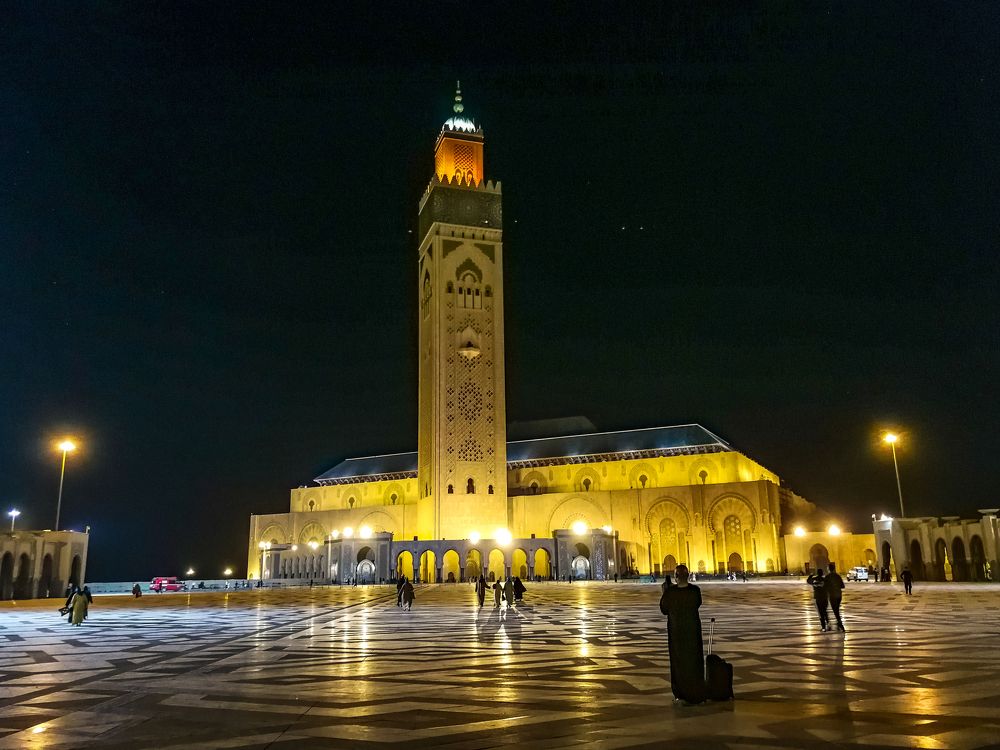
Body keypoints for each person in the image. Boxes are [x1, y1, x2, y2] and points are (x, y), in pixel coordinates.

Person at [658, 564, 706, 704]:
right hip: (693, 632)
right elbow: (698, 603)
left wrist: (664, 592)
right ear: (688, 576)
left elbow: (664, 609)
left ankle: (681, 693)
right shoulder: (695, 591)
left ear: (676, 577)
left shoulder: (671, 593)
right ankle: (696, 692)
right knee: (694, 661)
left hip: (677, 633)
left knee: (679, 663)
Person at [824, 563, 846, 632]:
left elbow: (825, 586)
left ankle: (840, 624)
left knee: (835, 610)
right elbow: (842, 586)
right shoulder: (837, 576)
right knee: (836, 610)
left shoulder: (827, 577)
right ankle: (838, 623)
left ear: (828, 569)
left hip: (832, 595)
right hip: (839, 595)